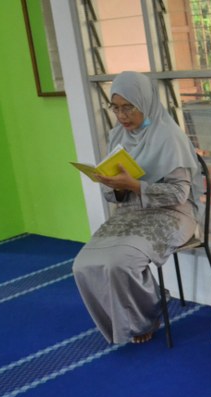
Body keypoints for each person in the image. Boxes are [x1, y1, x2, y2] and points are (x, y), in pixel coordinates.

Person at [73, 71, 201, 345]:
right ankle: (128, 316)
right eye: (116, 108)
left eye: (128, 107)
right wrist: (116, 186)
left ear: (145, 102)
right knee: (83, 265)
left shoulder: (169, 137)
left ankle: (146, 316)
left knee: (121, 262)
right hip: (132, 211)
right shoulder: (118, 136)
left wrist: (135, 185)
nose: (122, 116)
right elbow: (116, 195)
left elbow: (179, 194)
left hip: (173, 214)